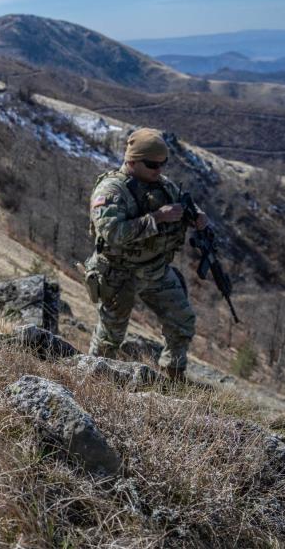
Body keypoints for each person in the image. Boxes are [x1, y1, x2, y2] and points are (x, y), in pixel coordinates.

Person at [84, 128, 208, 381]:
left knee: (182, 322)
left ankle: (173, 379)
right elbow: (112, 233)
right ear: (132, 160)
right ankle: (91, 380)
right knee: (110, 337)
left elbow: (183, 205)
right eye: (152, 164)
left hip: (155, 271)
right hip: (118, 274)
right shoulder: (111, 191)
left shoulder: (162, 185)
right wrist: (157, 218)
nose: (159, 170)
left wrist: (197, 217)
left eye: (163, 164)